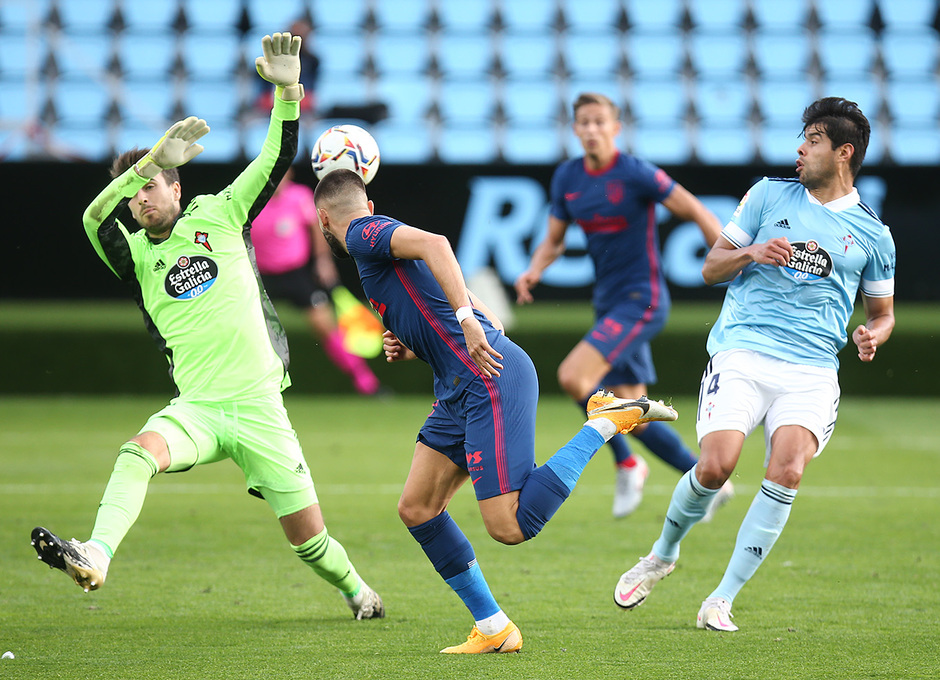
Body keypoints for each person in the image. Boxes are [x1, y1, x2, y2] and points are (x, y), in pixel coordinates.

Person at [30, 33, 384, 621]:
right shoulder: (138, 255)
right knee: (137, 451)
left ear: (178, 185)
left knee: (310, 543)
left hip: (261, 407)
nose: (140, 197)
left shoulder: (220, 212)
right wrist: (142, 164)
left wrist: (288, 92)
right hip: (199, 409)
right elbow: (94, 219)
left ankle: (357, 592)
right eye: (134, 190)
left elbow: (276, 157)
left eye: (151, 183)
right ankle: (94, 552)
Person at [313, 168, 679, 653]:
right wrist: (410, 337)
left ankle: (605, 423)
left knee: (509, 525)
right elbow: (449, 295)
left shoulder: (360, 234)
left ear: (323, 220)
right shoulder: (375, 247)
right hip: (457, 387)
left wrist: (466, 322)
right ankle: (494, 628)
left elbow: (439, 245)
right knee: (418, 508)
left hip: (488, 380)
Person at [613, 97, 895, 631]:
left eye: (812, 140)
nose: (800, 149)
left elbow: (883, 313)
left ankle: (721, 598)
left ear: (843, 152)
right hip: (743, 350)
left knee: (786, 471)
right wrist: (752, 252)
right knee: (716, 467)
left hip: (812, 371)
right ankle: (662, 554)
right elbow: (710, 267)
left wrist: (870, 335)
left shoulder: (873, 234)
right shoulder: (767, 195)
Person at [514, 92, 731, 519]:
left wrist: (726, 257)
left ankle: (627, 464)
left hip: (643, 301)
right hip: (609, 305)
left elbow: (696, 210)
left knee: (575, 378)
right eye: (584, 123)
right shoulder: (568, 179)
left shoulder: (635, 173)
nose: (591, 130)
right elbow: (554, 241)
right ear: (575, 129)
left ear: (616, 128)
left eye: (600, 122)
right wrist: (534, 269)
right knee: (634, 413)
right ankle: (705, 482)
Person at [252, 166, 382, 396]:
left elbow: (318, 229)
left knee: (325, 327)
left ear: (289, 174)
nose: (276, 181)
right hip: (264, 279)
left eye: (280, 175)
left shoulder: (300, 197)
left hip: (297, 276)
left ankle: (367, 384)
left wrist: (323, 261)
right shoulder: (252, 201)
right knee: (250, 331)